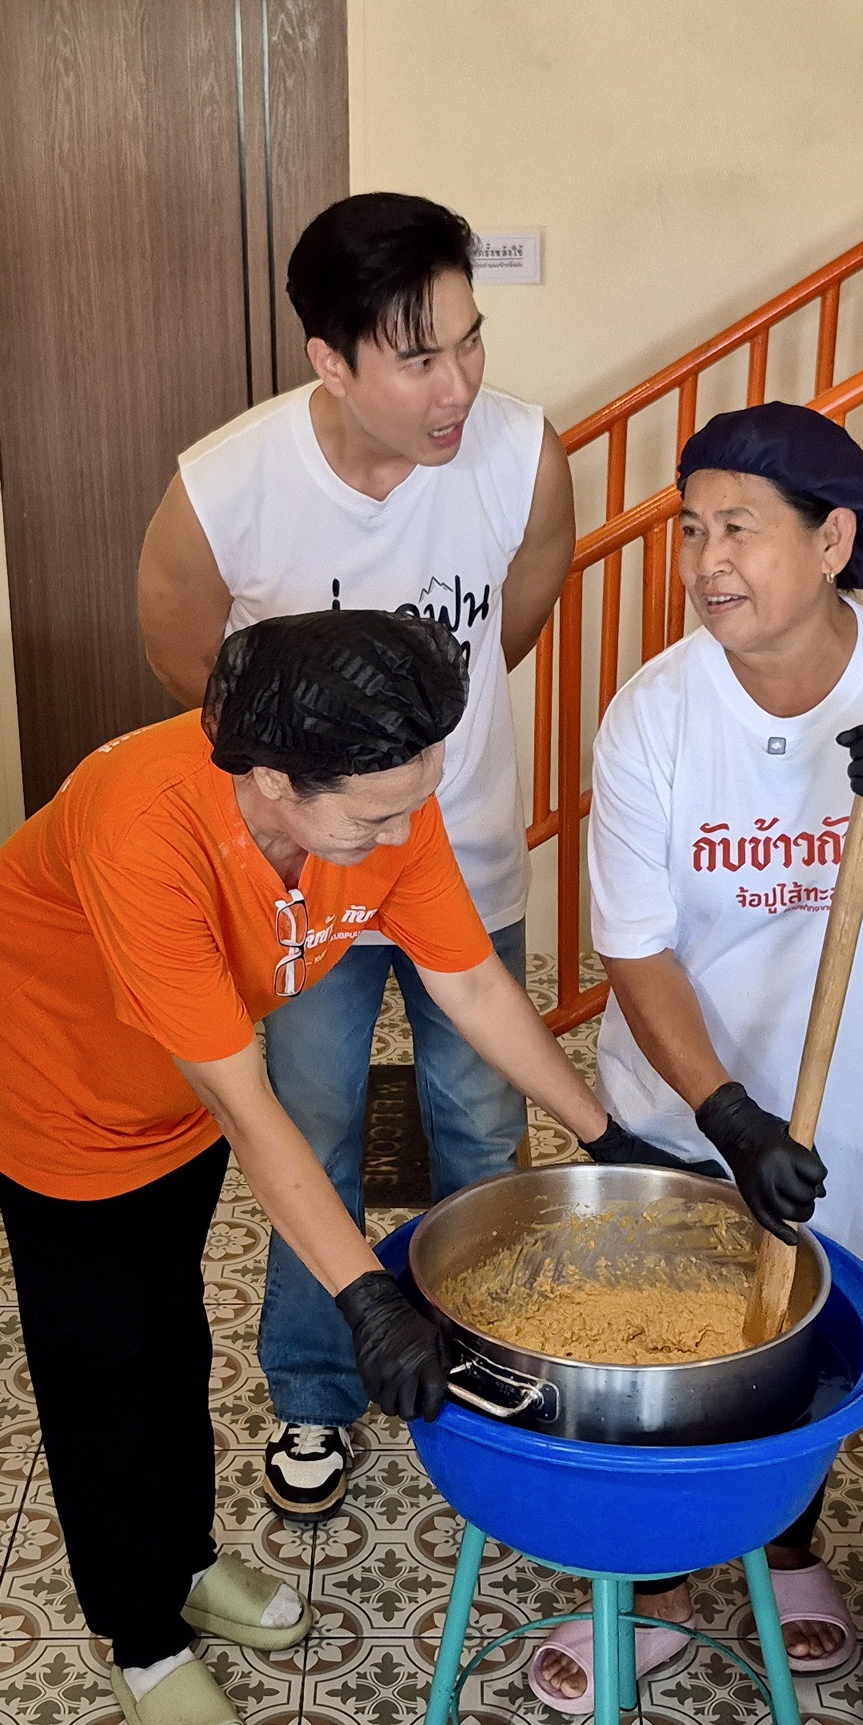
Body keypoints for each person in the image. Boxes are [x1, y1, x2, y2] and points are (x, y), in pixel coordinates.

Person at [0, 611, 731, 1725]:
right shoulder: (144, 825)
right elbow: (255, 1113)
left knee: (172, 1320)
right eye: (375, 818)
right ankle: (142, 1634)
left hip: (184, 1072)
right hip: (60, 1074)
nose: (406, 833)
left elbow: (472, 986)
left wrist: (608, 1136)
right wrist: (367, 1298)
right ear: (273, 780)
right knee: (104, 1355)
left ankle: (185, 1560)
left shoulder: (380, 791)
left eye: (418, 802)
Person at [527, 404, 863, 1710]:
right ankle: (657, 1584)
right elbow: (636, 951)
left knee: (800, 1340)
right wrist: (728, 1114)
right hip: (685, 1099)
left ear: (831, 542)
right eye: (691, 529)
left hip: (851, 1107)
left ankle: (788, 1545)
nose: (707, 560)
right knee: (666, 1342)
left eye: (740, 529)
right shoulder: (655, 714)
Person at [135, 193, 575, 1519]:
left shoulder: (523, 454)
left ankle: (492, 1362)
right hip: (300, 891)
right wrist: (312, 784)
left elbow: (516, 616)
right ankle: (318, 1388)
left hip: (460, 863)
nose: (459, 385)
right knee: (311, 1130)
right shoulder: (228, 482)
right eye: (419, 356)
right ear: (330, 359)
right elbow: (183, 651)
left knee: (481, 1128)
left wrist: (405, 780)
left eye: (470, 340)